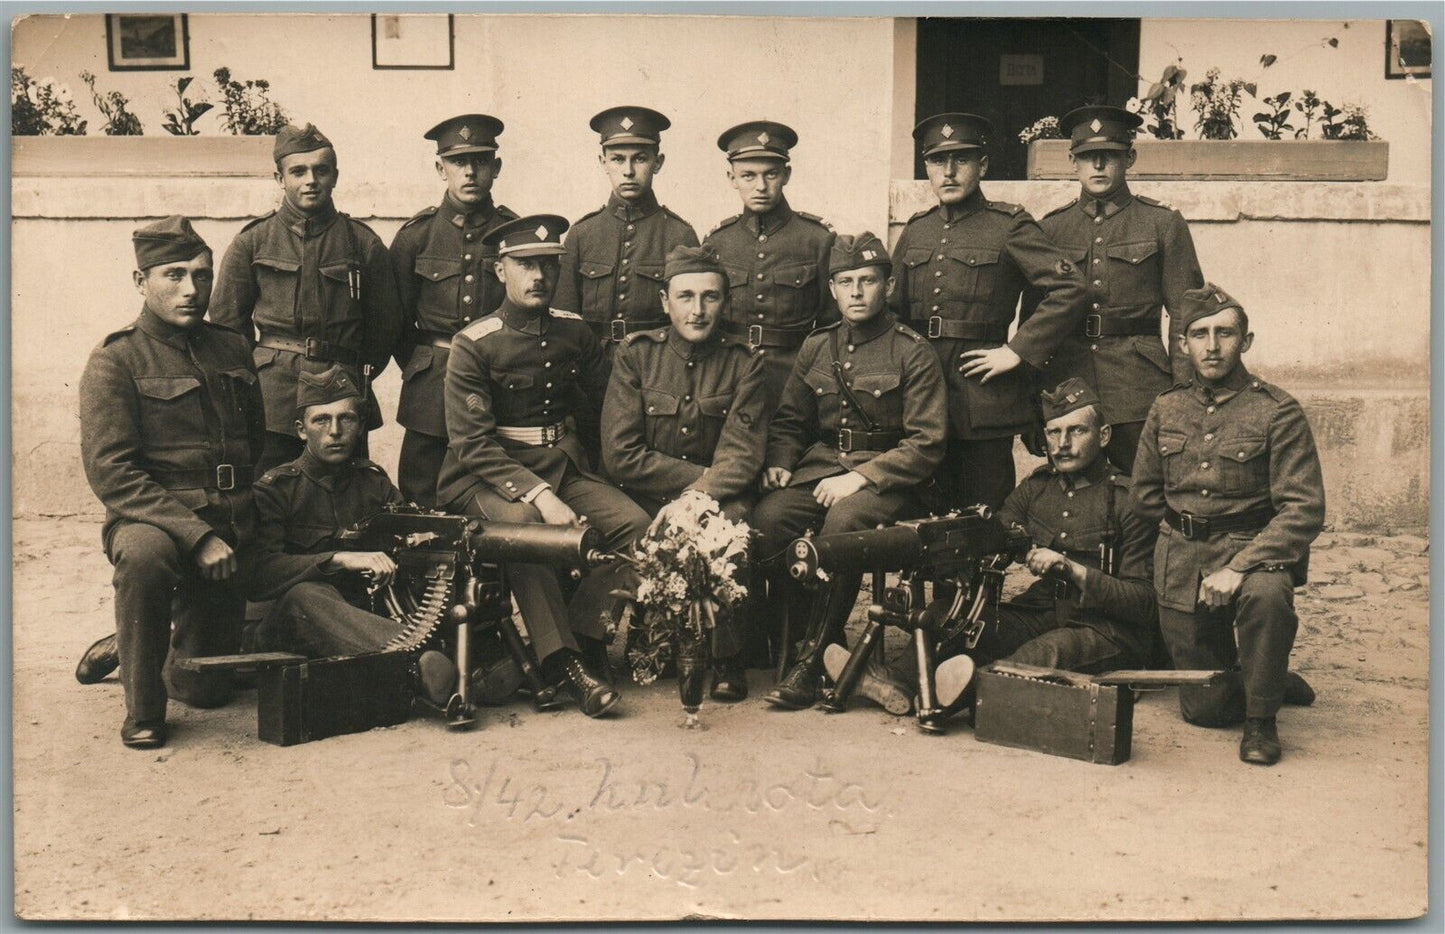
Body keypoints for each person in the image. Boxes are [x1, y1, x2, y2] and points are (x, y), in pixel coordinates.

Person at [436, 214, 651, 717]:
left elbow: (602, 412)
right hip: (486, 474)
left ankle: (581, 634)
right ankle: (567, 666)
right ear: (499, 271)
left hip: (562, 463)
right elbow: (472, 442)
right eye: (525, 265)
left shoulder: (575, 334)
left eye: (548, 267)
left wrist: (587, 474)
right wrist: (540, 494)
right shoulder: (475, 342)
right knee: (528, 528)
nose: (538, 277)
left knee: (637, 528)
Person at [77, 217, 265, 749]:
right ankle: (143, 710)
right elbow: (112, 471)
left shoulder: (232, 349)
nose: (191, 289)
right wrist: (197, 535)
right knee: (144, 557)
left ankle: (135, 638)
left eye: (202, 276)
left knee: (207, 691)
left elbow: (252, 443)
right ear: (141, 282)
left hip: (230, 518)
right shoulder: (116, 360)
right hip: (153, 522)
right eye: (173, 275)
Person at [752, 233, 947, 710]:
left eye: (867, 281)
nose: (857, 291)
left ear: (889, 286)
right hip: (821, 468)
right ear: (833, 290)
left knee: (841, 529)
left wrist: (859, 478)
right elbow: (791, 421)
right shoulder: (818, 346)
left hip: (891, 481)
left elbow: (927, 442)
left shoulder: (912, 350)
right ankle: (813, 642)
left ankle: (813, 657)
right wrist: (779, 461)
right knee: (769, 520)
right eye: (846, 282)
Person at [1132, 283, 1324, 765]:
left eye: (1225, 333)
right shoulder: (1166, 408)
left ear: (1247, 341)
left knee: (1268, 597)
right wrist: (1181, 539)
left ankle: (1262, 718)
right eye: (1199, 334)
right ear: (1182, 344)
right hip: (1182, 559)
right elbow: (1145, 495)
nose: (1212, 346)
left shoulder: (1277, 410)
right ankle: (1267, 676)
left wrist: (1241, 565)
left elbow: (1303, 508)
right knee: (1205, 709)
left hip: (1252, 551)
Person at [919, 378, 1158, 723]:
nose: (1062, 444)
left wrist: (1073, 569)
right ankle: (885, 681)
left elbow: (1145, 604)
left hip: (1105, 629)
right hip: (1042, 612)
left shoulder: (1128, 501)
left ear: (1103, 436)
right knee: (943, 616)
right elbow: (995, 532)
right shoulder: (1036, 489)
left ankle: (954, 695)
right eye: (1053, 432)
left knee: (1039, 655)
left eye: (1076, 431)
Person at [890, 112, 1088, 511]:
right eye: (937, 161)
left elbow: (1070, 288)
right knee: (924, 514)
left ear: (982, 165)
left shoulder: (1008, 225)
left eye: (961, 160)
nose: (948, 172)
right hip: (922, 392)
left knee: (984, 516)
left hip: (981, 395)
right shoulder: (915, 230)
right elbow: (892, 312)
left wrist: (1016, 350)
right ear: (926, 167)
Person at [600, 244, 768, 700]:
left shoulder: (745, 361)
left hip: (719, 494)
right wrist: (686, 493)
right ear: (664, 301)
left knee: (733, 522)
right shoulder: (636, 355)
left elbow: (742, 458)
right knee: (626, 524)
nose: (698, 310)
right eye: (686, 296)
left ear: (725, 301)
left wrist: (695, 499)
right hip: (645, 493)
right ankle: (648, 634)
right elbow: (621, 454)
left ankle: (727, 655)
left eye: (710, 297)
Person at [246, 366, 458, 708]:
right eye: (322, 421)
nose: (335, 432)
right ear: (301, 430)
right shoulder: (277, 489)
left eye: (346, 420)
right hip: (288, 629)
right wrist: (338, 560)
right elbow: (259, 573)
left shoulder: (373, 482)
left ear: (360, 427)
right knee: (306, 594)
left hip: (363, 626)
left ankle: (428, 666)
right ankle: (417, 663)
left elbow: (408, 534)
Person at [210, 123, 401, 472]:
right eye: (298, 171)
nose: (310, 180)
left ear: (335, 176)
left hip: (341, 393)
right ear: (280, 178)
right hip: (273, 395)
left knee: (346, 495)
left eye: (321, 170)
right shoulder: (252, 241)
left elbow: (386, 325)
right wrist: (254, 379)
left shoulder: (362, 243)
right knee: (269, 493)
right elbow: (226, 325)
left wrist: (354, 373)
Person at [1030, 104, 1206, 472]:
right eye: (1087, 157)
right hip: (1068, 381)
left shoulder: (1161, 223)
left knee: (1144, 491)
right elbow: (1034, 324)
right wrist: (1034, 402)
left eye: (1108, 156)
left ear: (1130, 158)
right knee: (1074, 498)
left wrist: (1184, 396)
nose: (1097, 166)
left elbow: (1188, 318)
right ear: (1072, 161)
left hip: (1138, 384)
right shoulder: (1049, 231)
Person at [389, 114, 519, 507]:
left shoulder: (514, 234)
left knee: (498, 491)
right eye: (458, 162)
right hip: (431, 389)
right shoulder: (416, 236)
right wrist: (423, 365)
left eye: (480, 161)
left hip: (496, 382)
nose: (469, 172)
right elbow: (394, 321)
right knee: (421, 493)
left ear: (495, 167)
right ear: (439, 168)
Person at [702, 120, 836, 405]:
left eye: (771, 174)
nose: (760, 186)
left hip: (795, 378)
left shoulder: (817, 240)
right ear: (731, 178)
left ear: (786, 175)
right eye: (748, 176)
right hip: (728, 374)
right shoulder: (717, 242)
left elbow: (832, 323)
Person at [553, 106, 699, 357]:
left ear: (658, 162)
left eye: (640, 158)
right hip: (591, 365)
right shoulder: (582, 234)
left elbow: (689, 320)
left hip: (655, 366)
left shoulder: (679, 235)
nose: (628, 171)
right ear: (603, 162)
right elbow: (563, 318)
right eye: (618, 158)